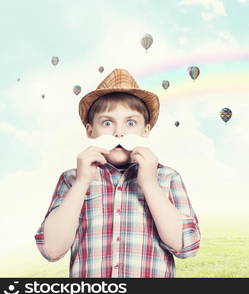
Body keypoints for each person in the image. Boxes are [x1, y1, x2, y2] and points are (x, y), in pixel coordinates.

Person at [34, 69, 200, 278]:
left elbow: (186, 247)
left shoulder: (167, 178)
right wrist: (81, 182)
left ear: (146, 130)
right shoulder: (71, 179)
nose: (119, 133)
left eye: (130, 123)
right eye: (107, 123)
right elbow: (51, 250)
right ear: (90, 131)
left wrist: (149, 184)